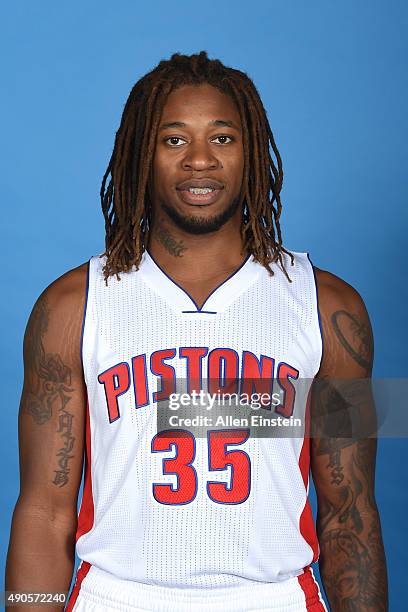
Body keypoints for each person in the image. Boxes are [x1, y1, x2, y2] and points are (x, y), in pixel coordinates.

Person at [5, 51, 388, 611]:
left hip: (273, 598)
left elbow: (350, 512)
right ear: (142, 155)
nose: (200, 161)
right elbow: (43, 510)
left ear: (250, 152)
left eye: (224, 139)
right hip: (117, 597)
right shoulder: (71, 307)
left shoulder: (329, 308)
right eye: (175, 140)